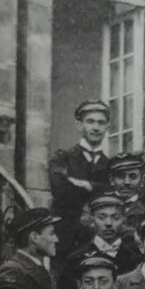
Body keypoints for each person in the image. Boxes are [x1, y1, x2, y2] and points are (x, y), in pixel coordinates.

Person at [47, 99, 114, 263]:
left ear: (107, 127)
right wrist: (100, 189)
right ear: (79, 125)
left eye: (101, 122)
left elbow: (116, 192)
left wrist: (86, 185)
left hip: (101, 239)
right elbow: (61, 192)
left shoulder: (112, 166)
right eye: (90, 122)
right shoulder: (63, 158)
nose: (96, 127)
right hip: (66, 238)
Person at [57, 190, 143, 289]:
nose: (108, 223)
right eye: (102, 217)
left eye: (115, 218)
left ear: (124, 222)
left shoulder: (136, 259)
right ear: (92, 221)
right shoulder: (76, 259)